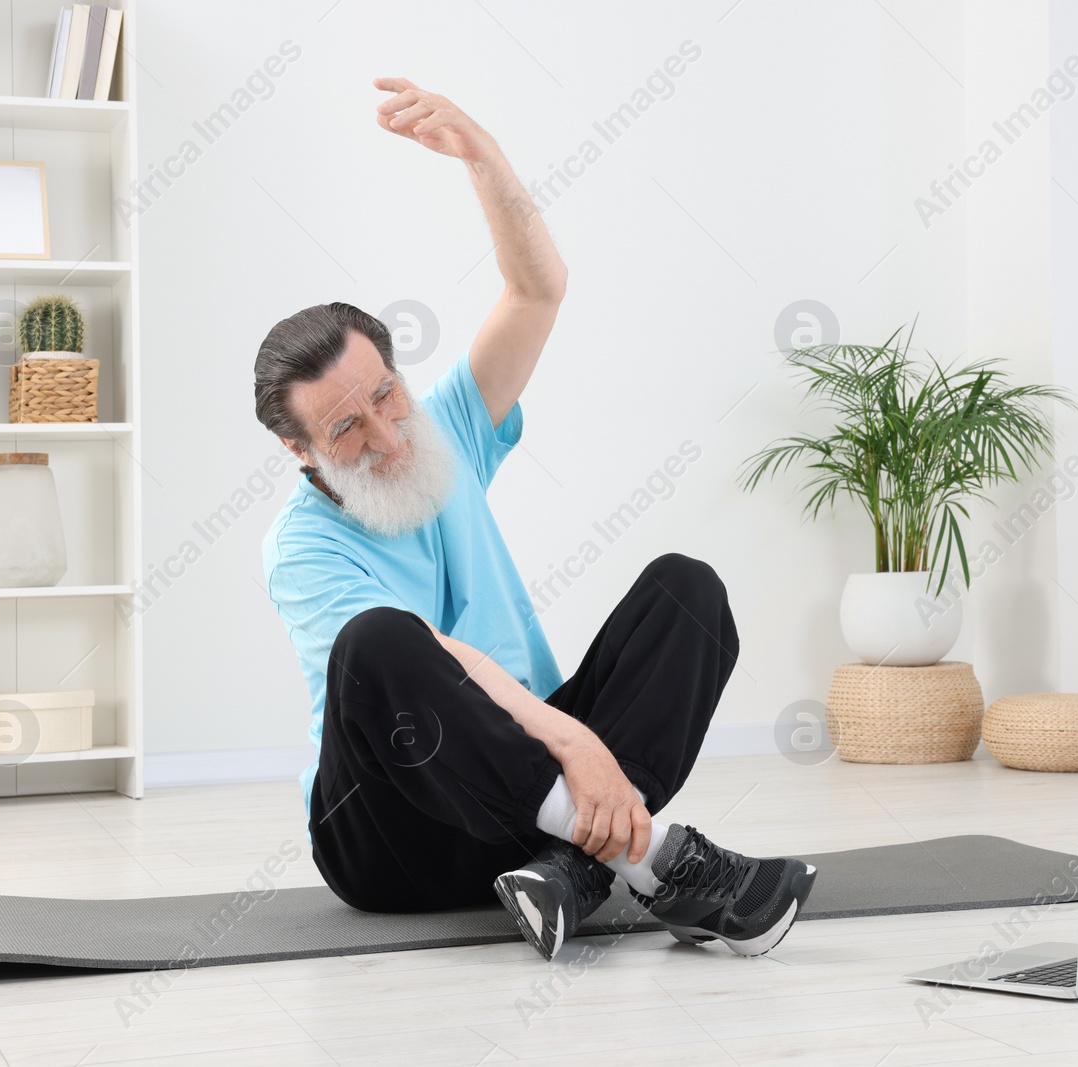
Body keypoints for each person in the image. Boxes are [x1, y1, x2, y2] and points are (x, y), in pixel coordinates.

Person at [255, 78, 816, 960]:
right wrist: (574, 740)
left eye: (387, 397)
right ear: (300, 450)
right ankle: (657, 862)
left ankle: (569, 869)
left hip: (513, 799)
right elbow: (439, 660)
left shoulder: (445, 435)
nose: (387, 435)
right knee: (381, 641)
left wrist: (485, 159)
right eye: (346, 429)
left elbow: (537, 290)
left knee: (687, 593)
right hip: (394, 838)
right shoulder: (300, 547)